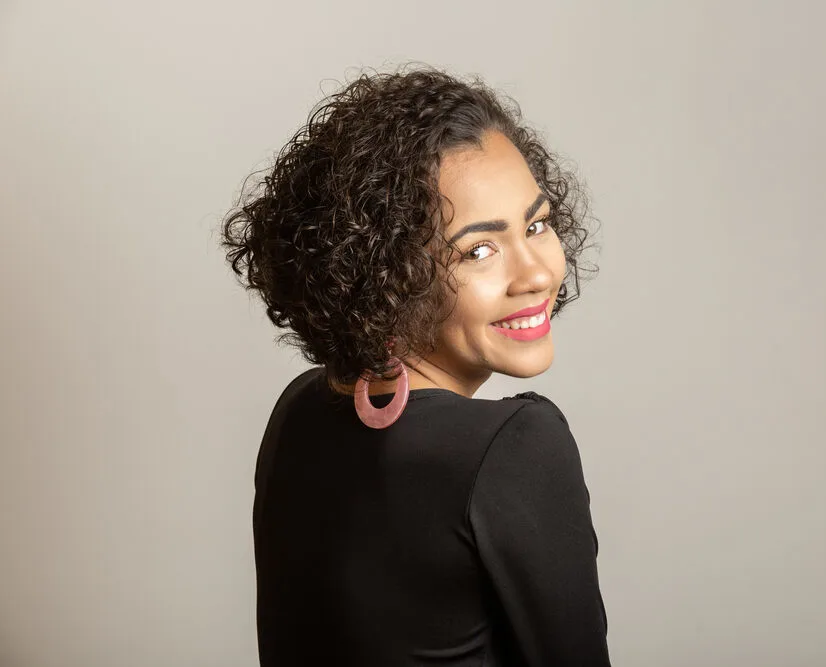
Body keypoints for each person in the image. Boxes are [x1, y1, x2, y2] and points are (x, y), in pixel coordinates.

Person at [220, 64, 610, 666]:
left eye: (537, 224)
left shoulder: (300, 409)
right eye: (479, 249)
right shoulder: (514, 449)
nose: (536, 273)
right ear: (388, 275)